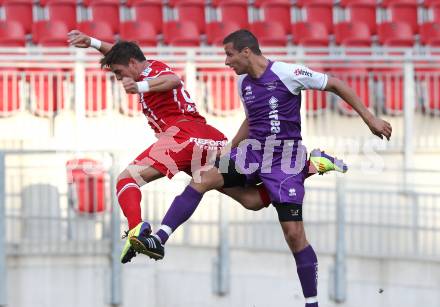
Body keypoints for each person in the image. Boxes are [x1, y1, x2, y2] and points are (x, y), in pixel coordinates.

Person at [129, 30, 391, 307]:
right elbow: (252, 120)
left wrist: (370, 118)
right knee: (208, 179)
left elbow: (335, 84)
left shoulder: (288, 73)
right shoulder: (244, 83)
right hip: (253, 153)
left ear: (246, 52)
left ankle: (312, 302)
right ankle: (159, 238)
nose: (226, 62)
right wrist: (230, 148)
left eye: (229, 54)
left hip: (285, 161)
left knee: (294, 235)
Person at [67, 30, 347, 265]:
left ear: (132, 64)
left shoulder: (152, 72)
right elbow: (121, 55)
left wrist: (140, 88)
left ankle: (137, 228)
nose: (119, 78)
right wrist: (92, 42)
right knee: (251, 201)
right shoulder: (142, 63)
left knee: (127, 178)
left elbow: (173, 80)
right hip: (209, 139)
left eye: (118, 73)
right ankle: (309, 166)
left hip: (182, 136)